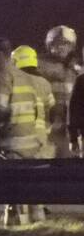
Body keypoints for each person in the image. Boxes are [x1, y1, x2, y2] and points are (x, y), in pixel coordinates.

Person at [0, 40, 52, 225]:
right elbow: (51, 112)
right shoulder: (38, 82)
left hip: (12, 146)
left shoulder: (2, 78)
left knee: (14, 193)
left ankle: (15, 229)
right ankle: (37, 230)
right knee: (35, 194)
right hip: (37, 146)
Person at [37, 25, 80, 157]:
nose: (60, 47)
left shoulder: (77, 68)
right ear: (49, 45)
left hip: (70, 124)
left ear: (72, 46)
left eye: (65, 43)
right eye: (56, 43)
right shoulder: (39, 65)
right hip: (47, 123)